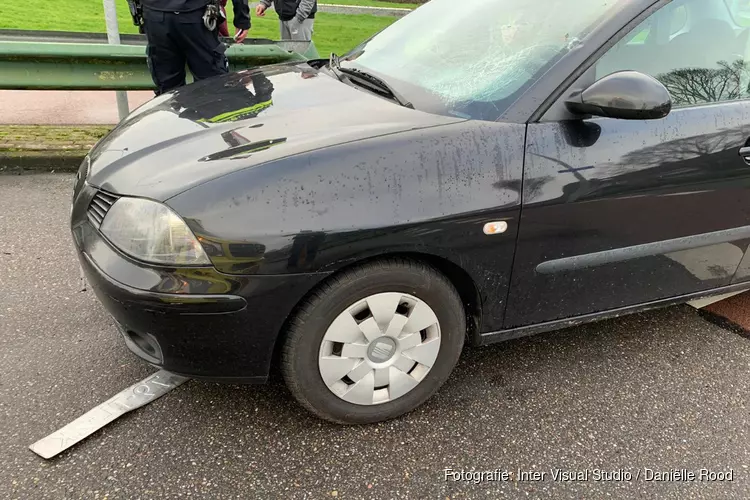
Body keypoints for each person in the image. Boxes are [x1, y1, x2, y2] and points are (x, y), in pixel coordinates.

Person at [140, 0, 251, 95]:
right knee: (211, 87)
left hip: (155, 14)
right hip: (196, 14)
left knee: (167, 88)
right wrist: (242, 19)